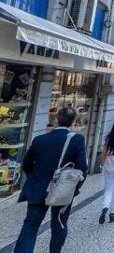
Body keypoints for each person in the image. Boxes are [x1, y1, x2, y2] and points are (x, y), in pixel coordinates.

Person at [14, 107, 88, 253]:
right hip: (63, 189)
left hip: (38, 188)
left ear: (56, 120)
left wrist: (36, 179)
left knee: (30, 225)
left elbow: (27, 164)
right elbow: (82, 169)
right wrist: (73, 188)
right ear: (73, 122)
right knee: (59, 223)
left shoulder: (39, 140)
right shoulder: (77, 140)